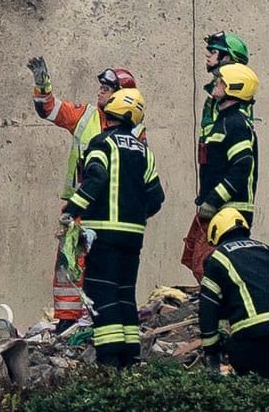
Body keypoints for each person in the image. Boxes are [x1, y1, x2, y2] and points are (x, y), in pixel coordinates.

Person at [26, 59, 142, 325]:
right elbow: (49, 109)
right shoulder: (86, 116)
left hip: (111, 211)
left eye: (108, 87)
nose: (100, 91)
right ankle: (67, 321)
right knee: (69, 265)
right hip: (80, 207)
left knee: (105, 271)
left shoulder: (137, 131)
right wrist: (42, 84)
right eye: (101, 86)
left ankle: (98, 321)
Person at [60, 87, 164, 368]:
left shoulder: (102, 143)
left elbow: (94, 180)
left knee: (101, 293)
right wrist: (134, 217)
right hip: (133, 238)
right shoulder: (144, 151)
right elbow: (156, 198)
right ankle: (130, 358)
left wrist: (71, 210)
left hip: (103, 235)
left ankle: (109, 362)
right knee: (124, 294)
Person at [199, 207, 269, 379]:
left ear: (216, 233)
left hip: (253, 328)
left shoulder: (217, 258)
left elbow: (208, 305)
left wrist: (211, 351)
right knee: (265, 367)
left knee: (244, 365)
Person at [184, 33, 253, 280]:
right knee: (198, 259)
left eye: (214, 51)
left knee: (215, 267)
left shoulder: (235, 118)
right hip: (214, 200)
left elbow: (240, 165)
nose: (207, 55)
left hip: (227, 205)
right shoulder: (216, 106)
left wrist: (214, 199)